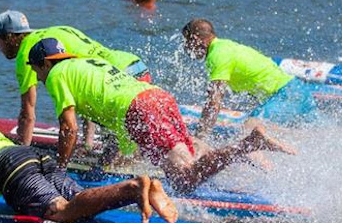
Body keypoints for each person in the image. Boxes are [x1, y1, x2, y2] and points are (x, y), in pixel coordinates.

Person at [0, 56, 177, 223]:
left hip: (10, 170)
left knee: (60, 213)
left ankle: (134, 187)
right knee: (79, 204)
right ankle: (145, 190)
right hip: (29, 156)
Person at [28, 38, 296, 194]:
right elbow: (110, 110)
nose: (38, 77)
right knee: (184, 166)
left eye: (36, 70)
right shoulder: (84, 64)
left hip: (140, 109)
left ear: (47, 63)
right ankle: (238, 156)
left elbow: (69, 127)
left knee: (184, 179)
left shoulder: (56, 75)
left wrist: (60, 170)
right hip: (156, 98)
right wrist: (108, 160)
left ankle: (248, 145)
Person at [0, 10, 148, 147]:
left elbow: (28, 113)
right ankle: (91, 146)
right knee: (132, 138)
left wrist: (21, 151)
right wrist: (87, 146)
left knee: (120, 151)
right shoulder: (59, 30)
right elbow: (85, 94)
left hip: (119, 80)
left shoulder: (27, 51)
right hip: (134, 65)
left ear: (9, 38)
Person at [181, 19, 321, 135]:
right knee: (323, 131)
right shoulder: (225, 46)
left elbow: (214, 102)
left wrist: (200, 136)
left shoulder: (217, 56)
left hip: (286, 95)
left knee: (250, 128)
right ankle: (300, 136)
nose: (186, 47)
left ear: (195, 39)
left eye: (187, 42)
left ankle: (267, 166)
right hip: (296, 90)